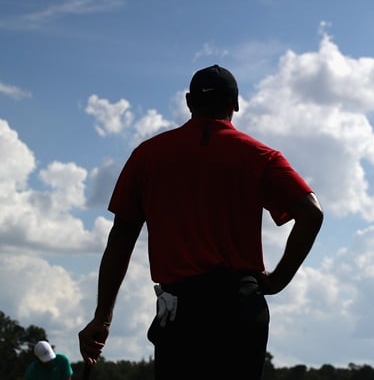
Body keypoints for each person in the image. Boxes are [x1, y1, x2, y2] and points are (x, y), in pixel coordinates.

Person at [78, 64, 323, 379]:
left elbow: (122, 237)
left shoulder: (147, 156)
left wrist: (103, 318)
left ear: (189, 102)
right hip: (241, 309)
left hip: (182, 312)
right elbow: (311, 212)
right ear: (235, 104)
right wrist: (277, 280)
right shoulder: (261, 157)